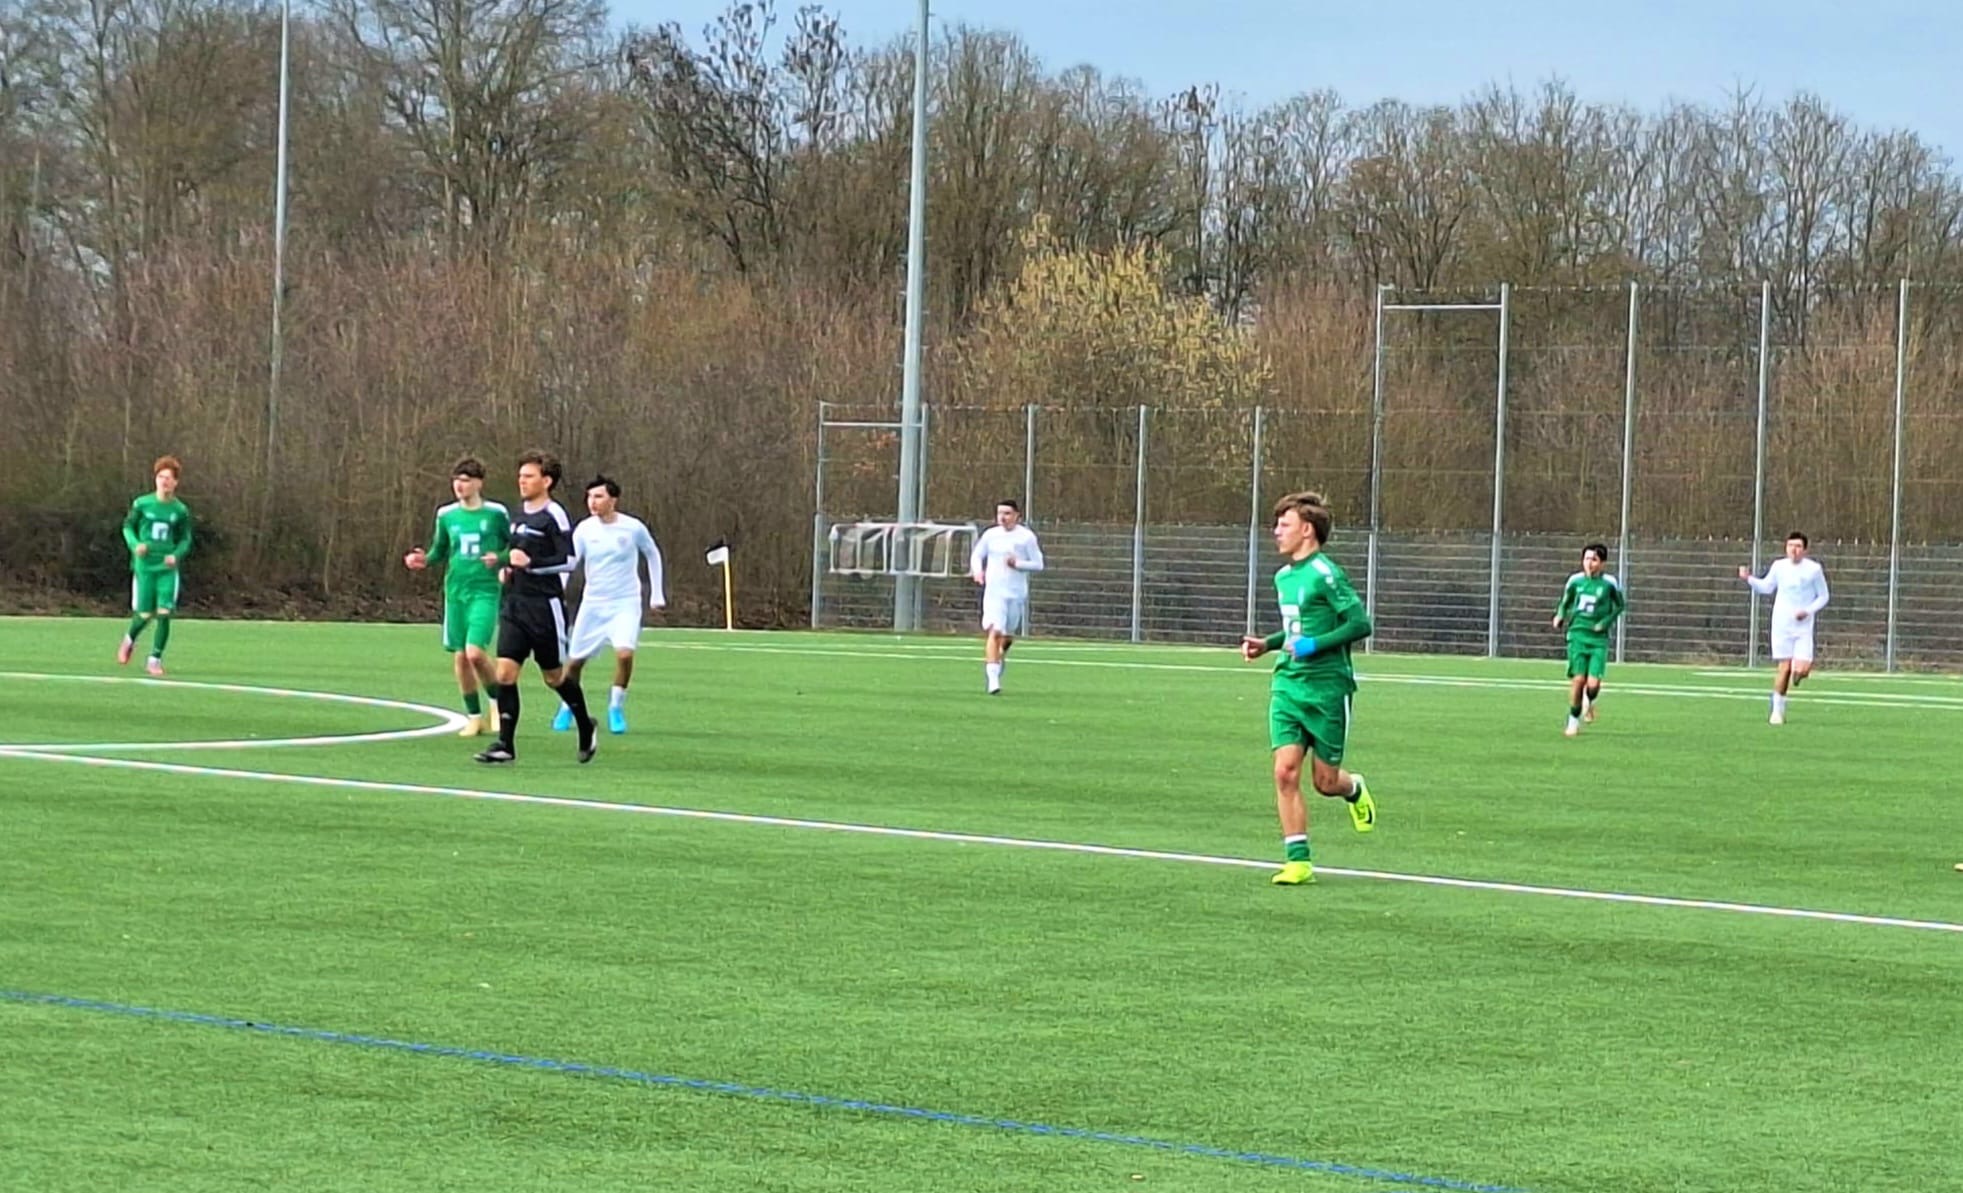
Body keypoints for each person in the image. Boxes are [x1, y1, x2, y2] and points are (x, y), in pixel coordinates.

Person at [1239, 491, 1377, 886]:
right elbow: (1297, 629)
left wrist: (1314, 646)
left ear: (1307, 530)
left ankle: (1353, 789)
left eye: (1285, 524)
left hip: (1328, 688)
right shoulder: (1283, 577)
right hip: (1288, 684)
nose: (1276, 531)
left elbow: (1360, 624)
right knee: (1285, 772)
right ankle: (1298, 861)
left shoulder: (1325, 574)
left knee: (1325, 782)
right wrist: (1269, 644)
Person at [474, 450, 597, 765]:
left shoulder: (554, 514)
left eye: (529, 476)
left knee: (553, 677)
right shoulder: (518, 514)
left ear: (547, 481)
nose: (522, 481)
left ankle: (585, 724)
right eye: (520, 476)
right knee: (505, 673)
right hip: (514, 604)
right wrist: (505, 567)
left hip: (544, 607)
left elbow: (569, 560)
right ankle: (505, 745)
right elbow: (514, 553)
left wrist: (531, 563)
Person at [404, 457, 510, 737]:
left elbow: (512, 545)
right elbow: (440, 550)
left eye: (465, 480)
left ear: (478, 483)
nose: (459, 486)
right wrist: (423, 560)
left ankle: (498, 703)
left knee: (475, 652)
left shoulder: (496, 513)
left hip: (485, 590)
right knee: (461, 657)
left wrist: (501, 560)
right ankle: (474, 717)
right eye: (456, 480)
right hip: (455, 592)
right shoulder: (446, 515)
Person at [551, 476, 666, 736]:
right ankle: (567, 706)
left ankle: (615, 706)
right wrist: (558, 589)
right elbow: (570, 562)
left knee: (624, 655)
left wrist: (656, 594)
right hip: (593, 603)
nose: (593, 502)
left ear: (613, 500)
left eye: (599, 497)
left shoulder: (632, 528)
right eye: (590, 497)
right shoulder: (584, 530)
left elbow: (652, 553)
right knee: (575, 662)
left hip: (625, 602)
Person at [1738, 532, 1829, 725]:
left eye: (1798, 546)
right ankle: (1777, 711)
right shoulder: (1779, 567)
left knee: (1802, 669)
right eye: (1790, 546)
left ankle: (1799, 675)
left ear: (1805, 550)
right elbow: (1766, 587)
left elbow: (1823, 596)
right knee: (1784, 668)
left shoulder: (1814, 569)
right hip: (1782, 625)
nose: (1794, 550)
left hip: (1803, 627)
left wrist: (1807, 611)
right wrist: (1749, 578)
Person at [117, 455, 194, 677]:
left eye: (169, 478)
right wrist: (135, 545)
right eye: (161, 477)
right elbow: (127, 527)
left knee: (164, 613)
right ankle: (129, 639)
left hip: (166, 568)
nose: (164, 481)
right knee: (144, 614)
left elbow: (185, 539)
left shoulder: (180, 510)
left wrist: (176, 555)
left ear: (176, 482)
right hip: (145, 567)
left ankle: (155, 659)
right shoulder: (142, 504)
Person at [967, 499, 1044, 695]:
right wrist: (978, 571)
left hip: (1016, 593)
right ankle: (993, 680)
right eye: (1000, 513)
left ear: (1017, 516)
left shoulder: (1026, 537)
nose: (1003, 517)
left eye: (1007, 513)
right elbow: (977, 555)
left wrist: (1017, 564)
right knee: (995, 631)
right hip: (994, 593)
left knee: (1007, 636)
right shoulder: (991, 535)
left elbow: (1038, 564)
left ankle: (999, 656)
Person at [1551, 543, 1627, 737]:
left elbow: (1620, 606)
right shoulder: (1575, 581)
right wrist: (1560, 616)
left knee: (1592, 685)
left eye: (1594, 559)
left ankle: (1590, 700)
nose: (1589, 563)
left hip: (1598, 640)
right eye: (1586, 559)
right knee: (1578, 680)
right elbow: (1565, 602)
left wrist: (1605, 622)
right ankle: (1573, 720)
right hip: (1577, 635)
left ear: (1602, 563)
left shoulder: (1609, 583)